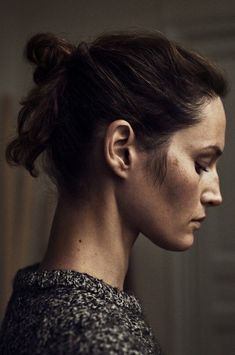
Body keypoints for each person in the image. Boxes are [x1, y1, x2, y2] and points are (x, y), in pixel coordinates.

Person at [0, 30, 228, 354]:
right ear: (122, 150)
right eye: (202, 164)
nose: (215, 195)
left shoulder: (35, 289)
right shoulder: (97, 342)